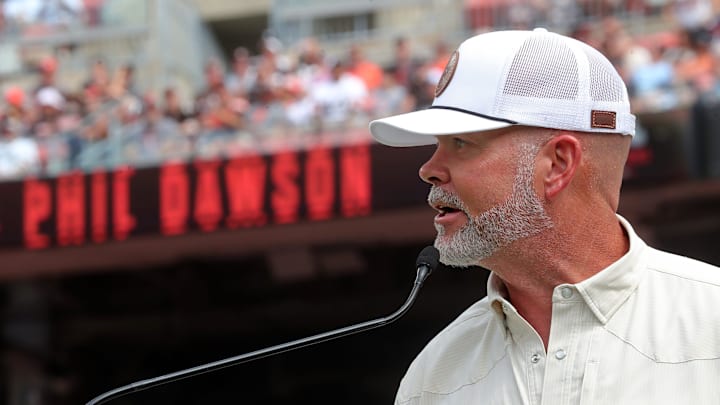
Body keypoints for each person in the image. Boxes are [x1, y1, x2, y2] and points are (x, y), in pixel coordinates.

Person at [369, 28, 720, 404]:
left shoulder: (710, 320)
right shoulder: (432, 378)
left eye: (460, 143)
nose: (429, 169)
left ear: (557, 163)